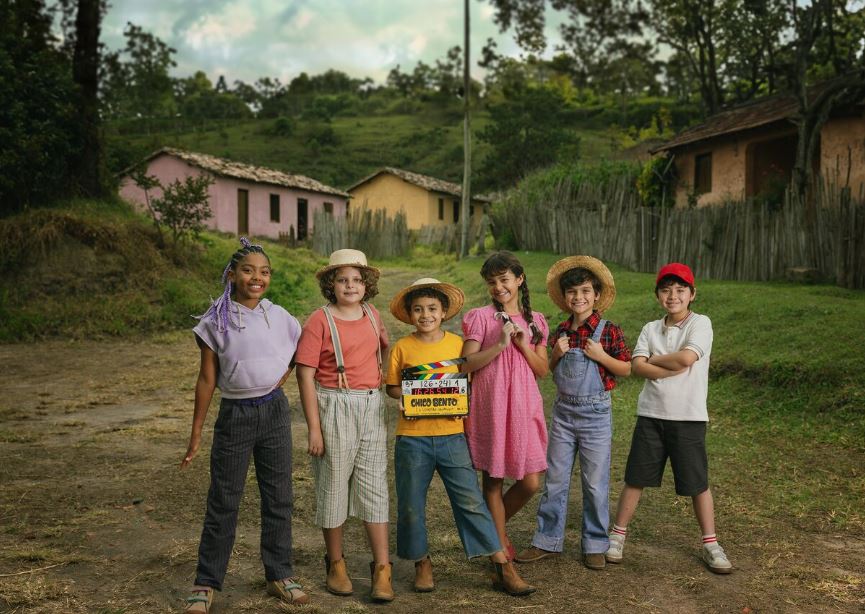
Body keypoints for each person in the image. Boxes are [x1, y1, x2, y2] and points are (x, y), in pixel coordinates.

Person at [385, 278, 535, 596]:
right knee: (411, 504)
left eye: (432, 309)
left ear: (443, 313)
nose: (425, 315)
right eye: (418, 310)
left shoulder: (456, 345)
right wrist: (407, 394)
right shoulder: (402, 347)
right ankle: (421, 562)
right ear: (410, 315)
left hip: (453, 435)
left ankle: (501, 564)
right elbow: (393, 387)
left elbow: (470, 377)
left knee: (470, 501)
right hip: (412, 438)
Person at [180, 237, 307, 613]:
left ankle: (279, 574)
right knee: (224, 499)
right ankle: (206, 583)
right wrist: (197, 432)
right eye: (248, 270)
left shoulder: (279, 316)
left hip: (274, 412)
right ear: (232, 274)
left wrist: (284, 373)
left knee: (279, 495)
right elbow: (206, 380)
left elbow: (303, 350)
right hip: (234, 415)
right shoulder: (215, 321)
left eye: (264, 271)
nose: (257, 277)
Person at [605, 263, 732, 574]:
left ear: (692, 294)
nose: (673, 295)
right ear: (658, 295)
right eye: (666, 290)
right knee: (636, 477)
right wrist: (668, 364)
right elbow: (637, 367)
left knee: (697, 482)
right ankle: (617, 536)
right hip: (651, 414)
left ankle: (711, 544)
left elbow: (687, 359)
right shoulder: (651, 328)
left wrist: (654, 361)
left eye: (680, 290)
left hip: (688, 417)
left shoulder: (700, 324)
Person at [516, 256, 631, 570]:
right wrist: (554, 355)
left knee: (595, 483)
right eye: (572, 292)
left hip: (595, 414)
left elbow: (627, 368)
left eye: (584, 291)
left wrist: (602, 356)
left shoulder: (608, 331)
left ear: (595, 295)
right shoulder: (560, 331)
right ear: (564, 298)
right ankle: (547, 541)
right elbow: (548, 371)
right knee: (555, 479)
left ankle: (595, 542)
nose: (578, 297)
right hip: (564, 414)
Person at [294, 249, 394, 602]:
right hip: (335, 405)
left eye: (357, 280)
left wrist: (381, 380)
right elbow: (305, 375)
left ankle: (382, 567)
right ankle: (335, 561)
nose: (350, 286)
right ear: (330, 284)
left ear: (366, 285)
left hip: (370, 404)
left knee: (374, 484)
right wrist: (314, 427)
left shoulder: (371, 314)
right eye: (342, 280)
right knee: (334, 482)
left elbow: (384, 347)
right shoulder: (319, 321)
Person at [460, 251, 550, 561]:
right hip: (492, 405)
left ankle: (489, 531)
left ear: (519, 279)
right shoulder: (480, 317)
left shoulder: (537, 321)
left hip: (524, 406)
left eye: (504, 280)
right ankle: (498, 543)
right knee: (494, 480)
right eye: (492, 282)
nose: (499, 287)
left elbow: (542, 370)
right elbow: (465, 365)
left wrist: (523, 344)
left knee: (530, 481)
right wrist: (499, 344)